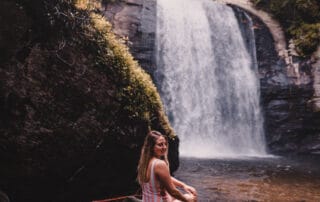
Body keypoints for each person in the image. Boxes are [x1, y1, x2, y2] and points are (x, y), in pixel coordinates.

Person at [137, 130, 197, 202]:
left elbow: (166, 178)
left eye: (165, 144)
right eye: (160, 144)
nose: (164, 147)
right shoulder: (159, 164)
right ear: (151, 147)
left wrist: (183, 185)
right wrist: (187, 200)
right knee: (192, 196)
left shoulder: (144, 163)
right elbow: (173, 191)